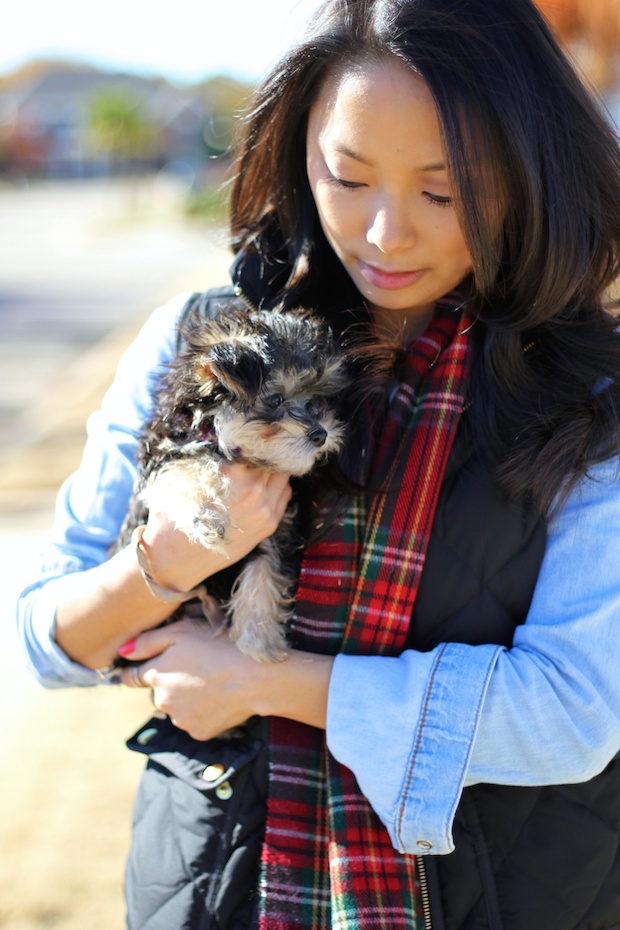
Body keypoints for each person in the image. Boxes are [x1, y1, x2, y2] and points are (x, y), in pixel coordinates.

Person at [16, 0, 620, 927]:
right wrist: (162, 567)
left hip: (509, 890)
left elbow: (573, 712)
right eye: (348, 176)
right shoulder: (201, 339)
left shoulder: (591, 395)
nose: (386, 234)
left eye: (443, 190)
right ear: (300, 153)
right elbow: (49, 639)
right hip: (217, 887)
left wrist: (267, 682)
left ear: (526, 171)